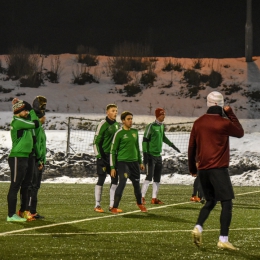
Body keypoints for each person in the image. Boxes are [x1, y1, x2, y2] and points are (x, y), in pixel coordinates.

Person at [188, 91, 244, 250]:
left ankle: (198, 227)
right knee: (226, 203)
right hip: (218, 169)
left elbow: (191, 147)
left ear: (207, 103)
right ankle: (223, 239)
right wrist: (230, 113)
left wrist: (193, 168)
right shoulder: (223, 123)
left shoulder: (198, 122)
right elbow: (240, 132)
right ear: (221, 104)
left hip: (203, 170)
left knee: (210, 201)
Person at [7, 99, 40, 222]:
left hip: (25, 156)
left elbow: (34, 136)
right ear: (18, 111)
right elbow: (36, 123)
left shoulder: (23, 121)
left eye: (27, 110)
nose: (26, 112)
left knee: (26, 185)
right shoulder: (17, 121)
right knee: (15, 186)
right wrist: (31, 108)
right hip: (17, 157)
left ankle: (23, 211)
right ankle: (11, 215)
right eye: (24, 110)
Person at [110, 111, 147, 214]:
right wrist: (113, 166)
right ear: (123, 121)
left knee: (136, 184)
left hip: (134, 163)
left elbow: (137, 147)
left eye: (131, 119)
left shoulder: (134, 132)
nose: (131, 121)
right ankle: (114, 207)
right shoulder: (119, 133)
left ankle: (139, 203)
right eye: (128, 119)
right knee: (122, 182)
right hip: (123, 163)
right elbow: (113, 151)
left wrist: (140, 162)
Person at [141, 108, 180, 205]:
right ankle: (141, 197)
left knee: (157, 178)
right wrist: (145, 155)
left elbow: (163, 138)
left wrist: (172, 145)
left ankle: (154, 198)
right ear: (158, 115)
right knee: (149, 177)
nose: (164, 116)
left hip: (158, 156)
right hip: (150, 155)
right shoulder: (151, 126)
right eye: (162, 114)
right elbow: (145, 140)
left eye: (164, 114)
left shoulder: (162, 126)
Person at [93, 104, 120, 213]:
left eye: (116, 111)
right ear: (107, 112)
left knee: (115, 179)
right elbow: (95, 142)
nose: (115, 113)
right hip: (103, 156)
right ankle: (97, 205)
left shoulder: (117, 125)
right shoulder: (102, 124)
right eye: (113, 110)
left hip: (113, 157)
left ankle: (112, 205)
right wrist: (99, 157)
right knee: (102, 178)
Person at [30, 96, 47, 219]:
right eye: (42, 105)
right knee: (32, 186)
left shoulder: (39, 125)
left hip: (38, 158)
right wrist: (40, 159)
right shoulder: (34, 122)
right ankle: (30, 210)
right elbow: (36, 143)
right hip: (35, 158)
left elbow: (41, 143)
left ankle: (31, 210)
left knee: (34, 186)